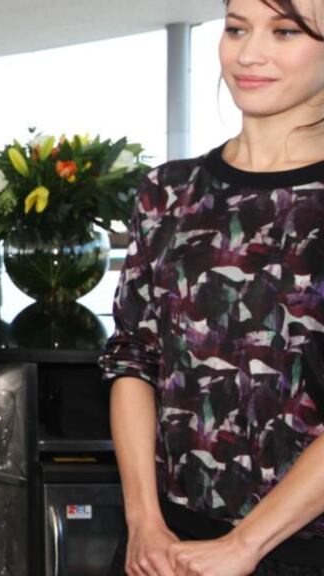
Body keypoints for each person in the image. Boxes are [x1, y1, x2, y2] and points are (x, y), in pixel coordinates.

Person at [100, 0, 324, 574]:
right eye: (236, 29)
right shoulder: (168, 191)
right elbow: (133, 359)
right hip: (173, 541)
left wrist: (244, 545)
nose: (249, 53)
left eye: (285, 31)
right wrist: (143, 521)